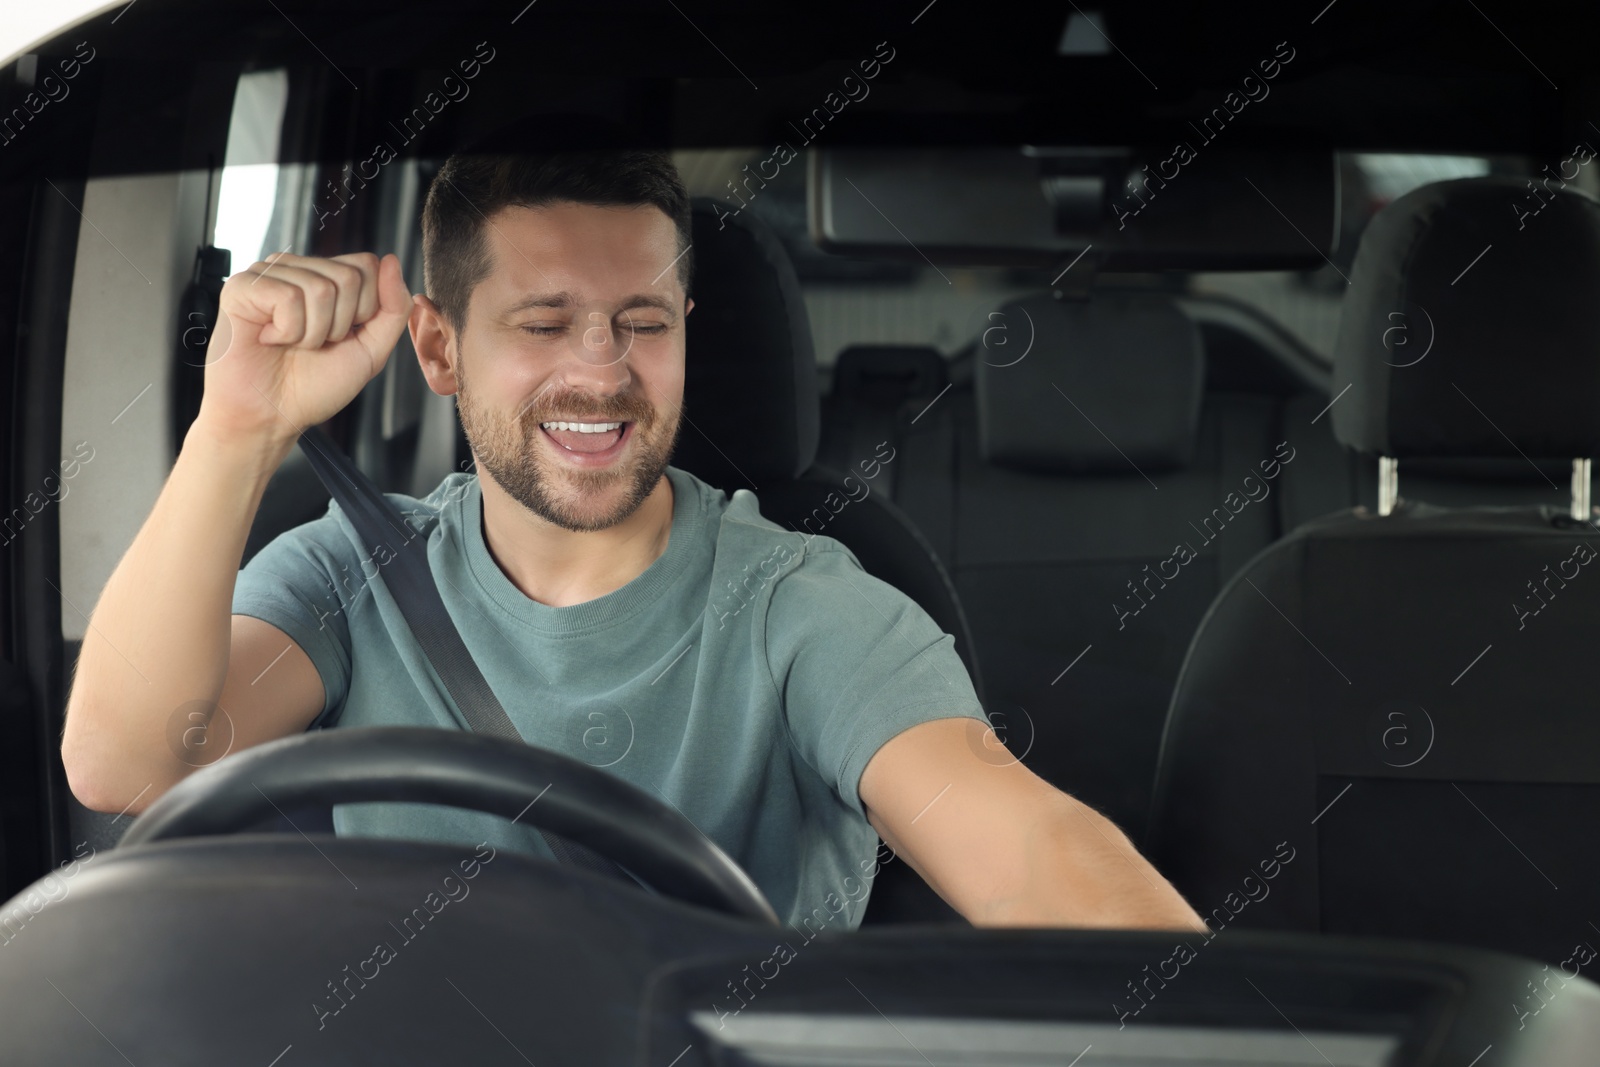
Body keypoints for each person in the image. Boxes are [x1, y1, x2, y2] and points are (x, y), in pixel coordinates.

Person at [61, 147, 1203, 933]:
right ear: (440, 348)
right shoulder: (349, 572)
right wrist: (237, 429)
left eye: (642, 322)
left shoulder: (803, 604)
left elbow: (1025, 847)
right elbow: (126, 764)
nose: (602, 371)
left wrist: (1195, 1012)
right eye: (544, 322)